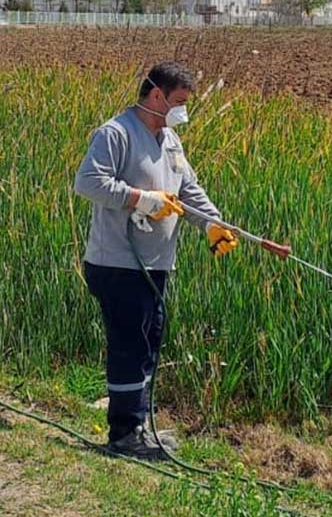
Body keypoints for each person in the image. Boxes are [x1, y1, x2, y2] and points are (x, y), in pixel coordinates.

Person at [73, 60, 239, 460]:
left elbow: (188, 190)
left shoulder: (169, 140)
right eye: (179, 101)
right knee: (129, 346)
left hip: (156, 265)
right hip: (118, 263)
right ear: (156, 95)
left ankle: (140, 424)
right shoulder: (116, 134)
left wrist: (212, 224)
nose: (183, 110)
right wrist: (142, 200)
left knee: (148, 343)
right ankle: (124, 435)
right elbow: (89, 183)